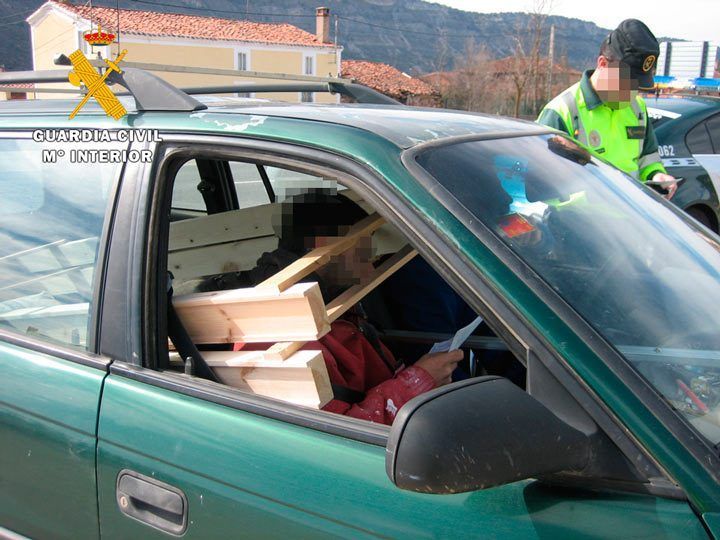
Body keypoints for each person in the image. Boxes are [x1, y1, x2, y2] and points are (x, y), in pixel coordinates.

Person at [243, 190, 464, 425]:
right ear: (324, 249)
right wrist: (418, 381)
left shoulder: (337, 302)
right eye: (362, 248)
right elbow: (337, 435)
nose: (372, 259)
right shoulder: (282, 334)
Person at [537, 19, 679, 199]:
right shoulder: (561, 112)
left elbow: (647, 158)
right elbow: (542, 185)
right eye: (625, 82)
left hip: (632, 219)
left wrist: (656, 175)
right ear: (603, 64)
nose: (631, 93)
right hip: (579, 224)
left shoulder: (638, 109)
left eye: (636, 86)